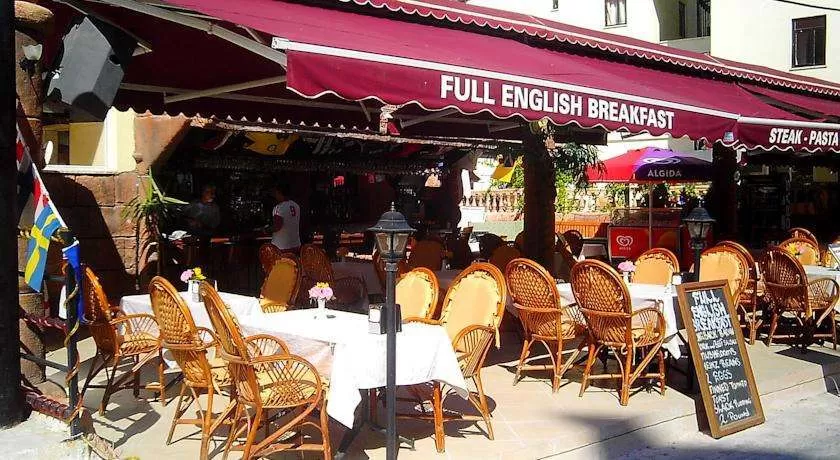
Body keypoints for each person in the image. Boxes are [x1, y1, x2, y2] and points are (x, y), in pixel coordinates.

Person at [271, 183, 302, 253]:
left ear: (279, 193)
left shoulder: (278, 208)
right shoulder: (296, 206)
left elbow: (277, 227)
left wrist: (266, 230)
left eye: (276, 193)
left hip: (281, 247)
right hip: (296, 245)